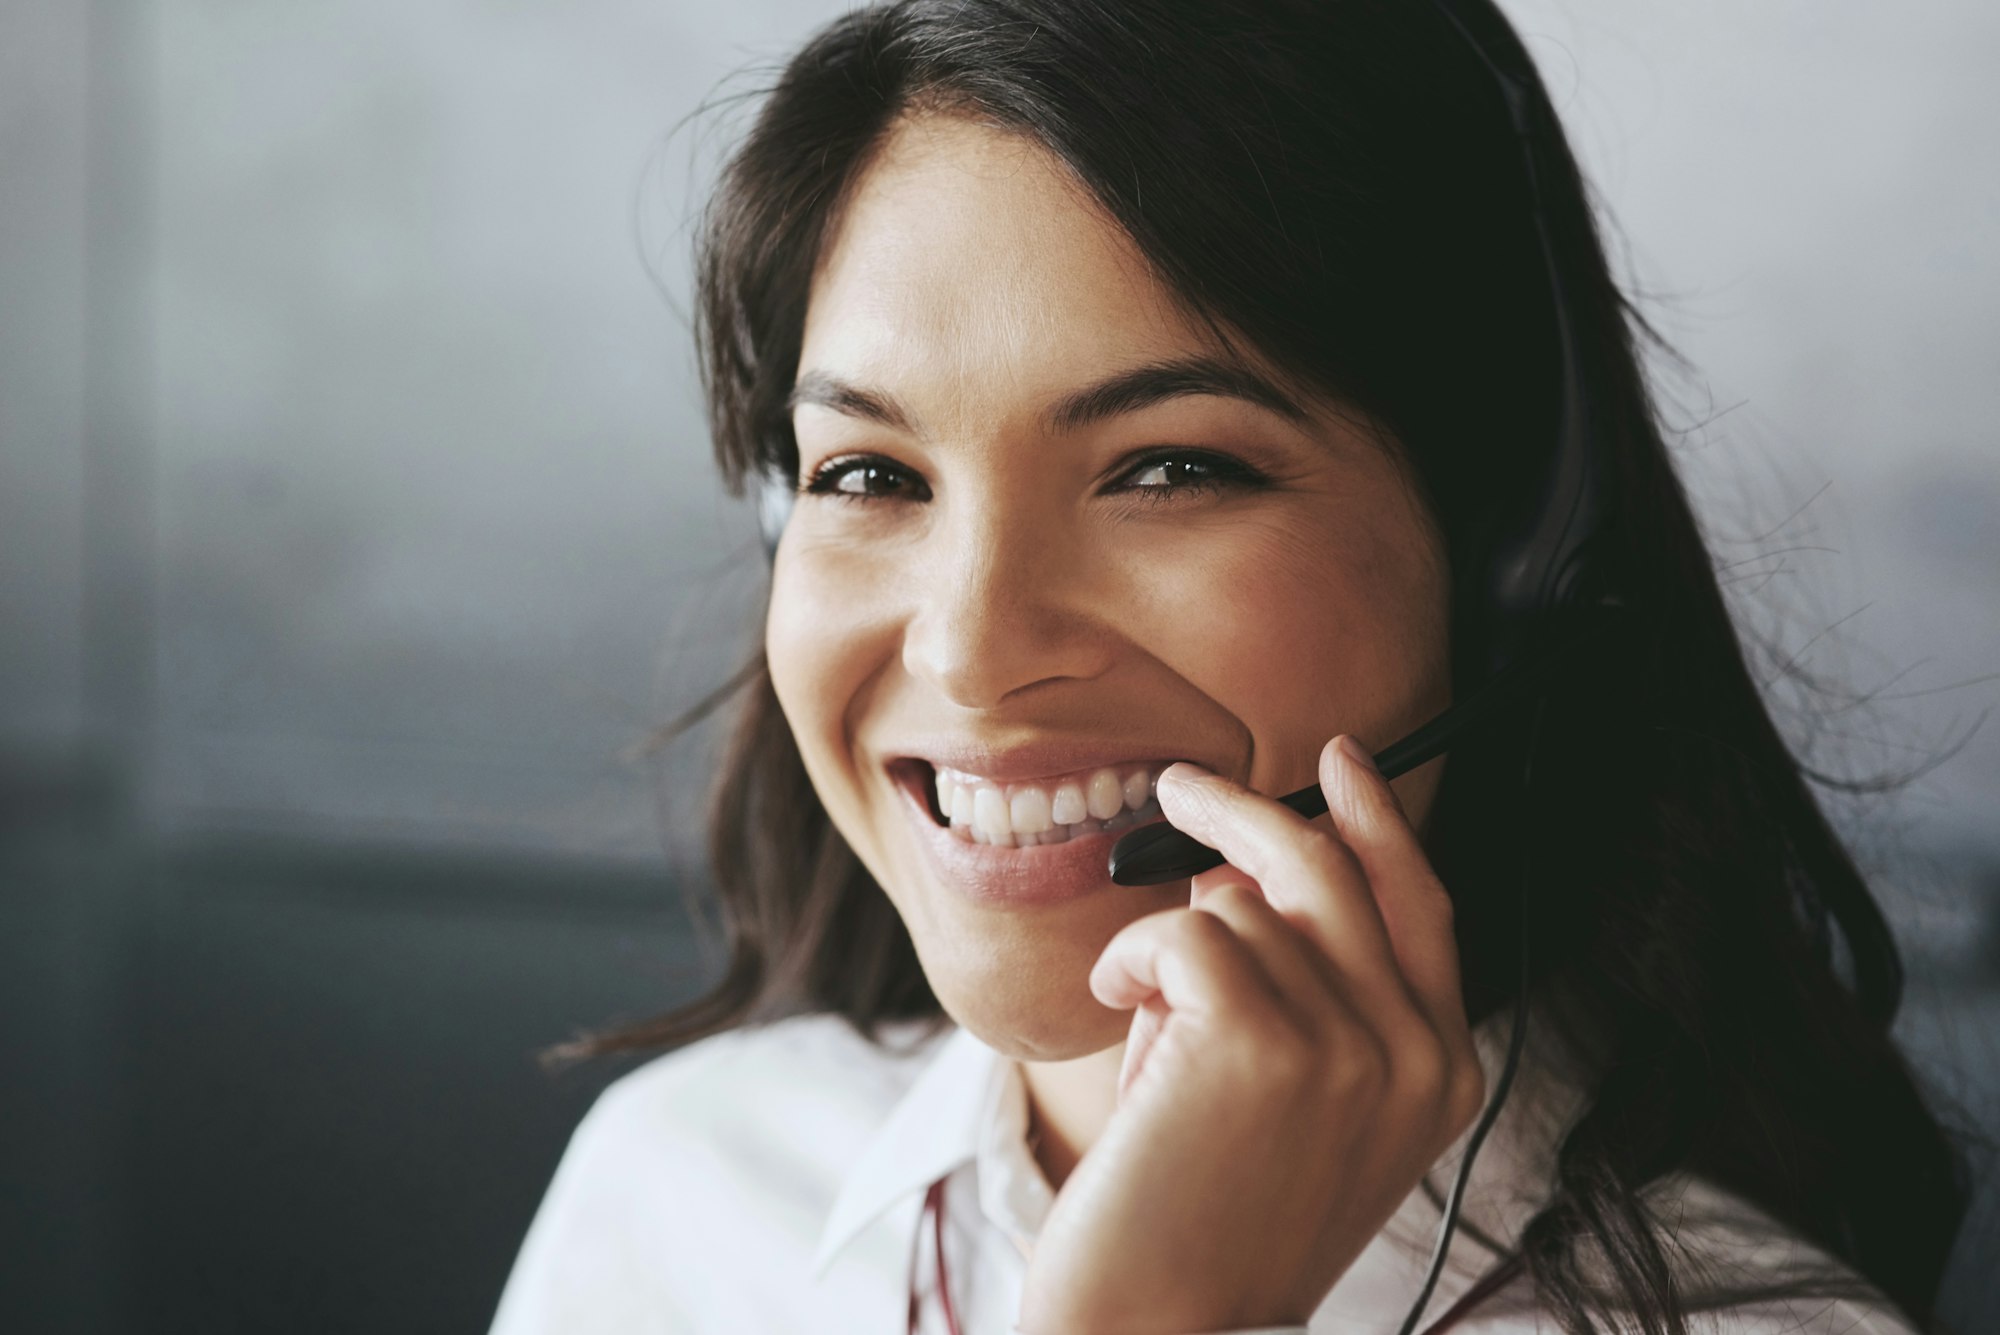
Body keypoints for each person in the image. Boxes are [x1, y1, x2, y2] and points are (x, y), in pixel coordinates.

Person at [489, 2, 1967, 1332]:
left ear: (1515, 554)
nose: (973, 651)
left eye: (1168, 467)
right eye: (870, 476)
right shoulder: (684, 1190)